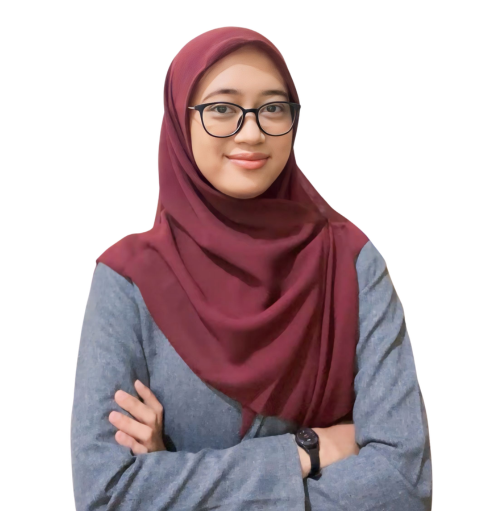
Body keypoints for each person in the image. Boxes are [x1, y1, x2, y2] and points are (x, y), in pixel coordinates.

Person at [70, 27, 433, 510]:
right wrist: (305, 450)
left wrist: (170, 479)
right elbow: (107, 493)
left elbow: (404, 486)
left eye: (273, 108)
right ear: (180, 119)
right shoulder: (129, 280)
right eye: (223, 108)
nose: (252, 132)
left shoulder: (349, 262)